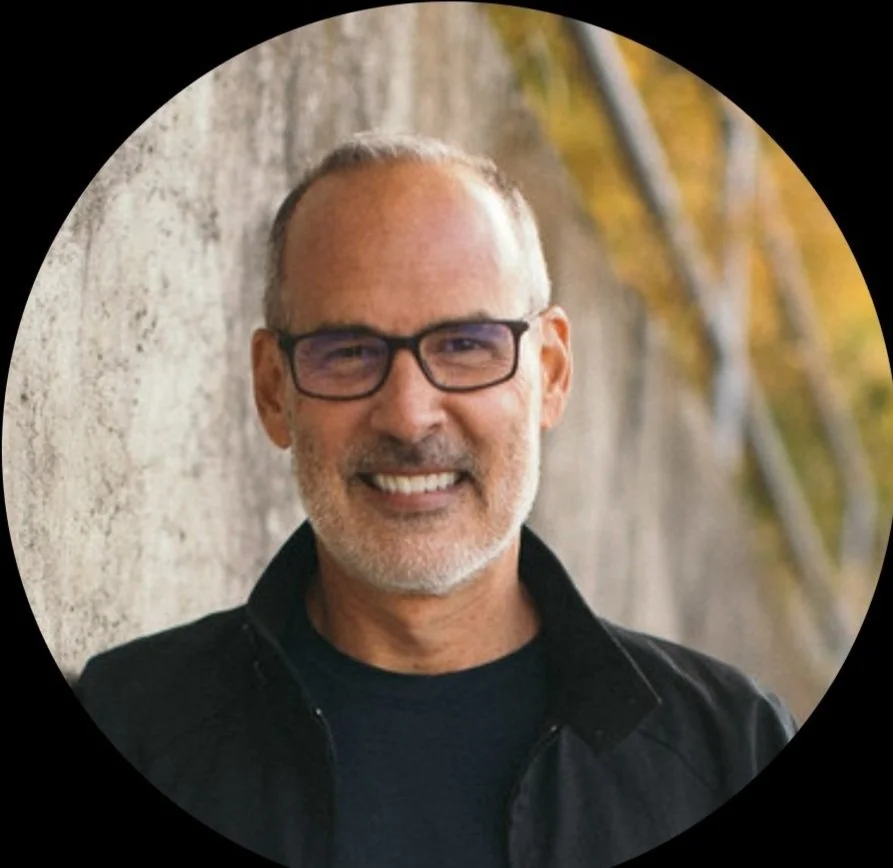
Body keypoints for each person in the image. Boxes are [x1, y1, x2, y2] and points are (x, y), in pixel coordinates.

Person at [75, 132, 797, 868]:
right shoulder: (130, 726)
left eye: (464, 345)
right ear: (272, 390)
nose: (409, 414)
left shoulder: (730, 757)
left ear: (548, 373)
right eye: (347, 351)